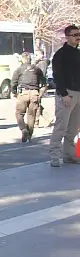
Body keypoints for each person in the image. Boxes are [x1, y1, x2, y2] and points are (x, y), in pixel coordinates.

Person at [49, 25, 80, 167]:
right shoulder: (60, 54)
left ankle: (69, 155)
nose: (77, 37)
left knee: (73, 128)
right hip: (66, 93)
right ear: (67, 37)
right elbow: (57, 76)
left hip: (78, 93)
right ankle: (55, 156)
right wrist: (64, 94)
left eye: (79, 34)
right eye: (74, 35)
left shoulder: (78, 53)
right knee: (61, 126)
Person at [11, 52, 46, 143]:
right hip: (34, 93)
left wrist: (14, 92)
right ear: (30, 59)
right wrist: (40, 93)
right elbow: (44, 82)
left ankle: (23, 129)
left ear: (22, 59)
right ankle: (29, 135)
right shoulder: (37, 69)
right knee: (32, 115)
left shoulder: (19, 69)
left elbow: (13, 82)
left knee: (19, 114)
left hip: (23, 93)